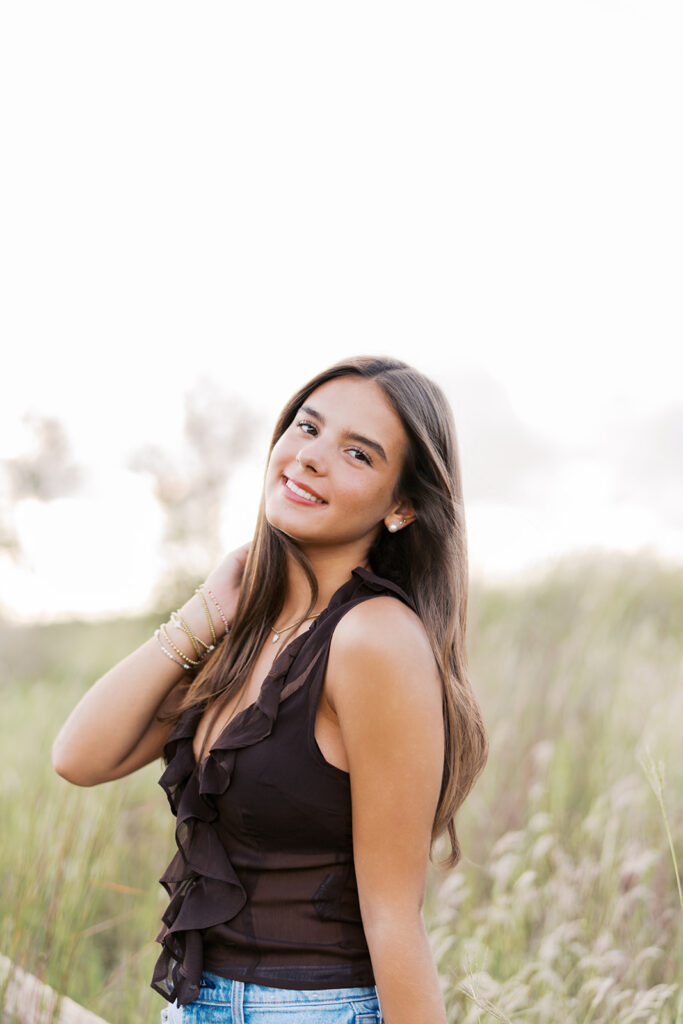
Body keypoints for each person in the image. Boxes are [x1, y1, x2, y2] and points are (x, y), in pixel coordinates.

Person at [52, 355, 488, 1024]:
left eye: (358, 454)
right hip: (200, 1005)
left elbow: (395, 919)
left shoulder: (375, 639)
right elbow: (80, 757)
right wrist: (204, 611)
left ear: (401, 507)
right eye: (307, 427)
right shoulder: (247, 631)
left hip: (311, 1010)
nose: (311, 457)